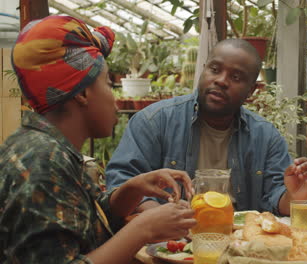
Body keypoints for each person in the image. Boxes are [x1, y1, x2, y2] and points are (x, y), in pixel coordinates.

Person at [0, 16, 196, 264]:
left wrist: (129, 191)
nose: (114, 99)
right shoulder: (42, 162)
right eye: (107, 83)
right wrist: (142, 229)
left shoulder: (47, 148)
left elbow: (76, 225)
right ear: (81, 92)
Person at [106, 38, 307, 216]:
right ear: (203, 70)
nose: (221, 81)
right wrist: (157, 218)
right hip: (166, 245)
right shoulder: (154, 121)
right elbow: (121, 185)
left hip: (241, 248)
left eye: (236, 77)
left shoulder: (266, 136)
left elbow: (276, 197)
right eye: (215, 69)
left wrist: (294, 197)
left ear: (251, 91)